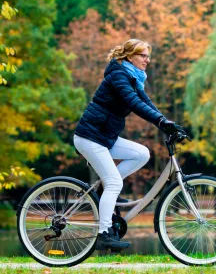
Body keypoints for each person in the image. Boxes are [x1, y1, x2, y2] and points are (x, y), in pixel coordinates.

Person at [73, 39, 179, 251]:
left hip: (105, 137)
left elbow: (145, 102)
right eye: (143, 56)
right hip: (90, 137)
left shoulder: (133, 77)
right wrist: (159, 122)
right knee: (114, 183)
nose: (147, 60)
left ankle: (105, 189)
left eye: (148, 56)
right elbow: (134, 103)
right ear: (129, 57)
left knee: (142, 154)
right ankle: (103, 233)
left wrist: (167, 123)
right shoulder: (119, 75)